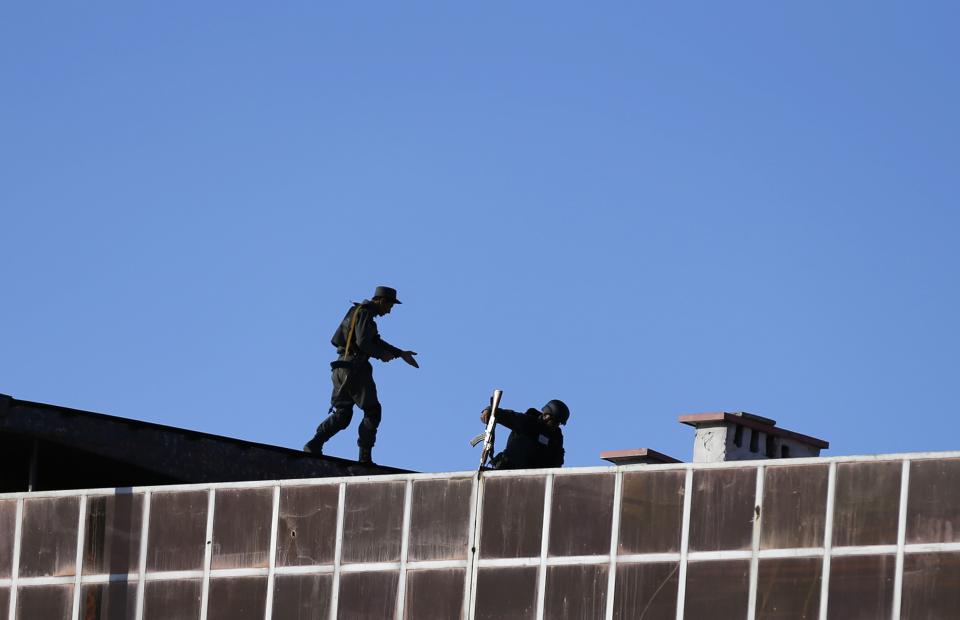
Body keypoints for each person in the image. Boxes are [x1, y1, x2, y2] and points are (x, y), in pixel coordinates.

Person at [304, 286, 418, 463]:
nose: (389, 312)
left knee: (342, 414)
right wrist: (381, 355)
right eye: (389, 306)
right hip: (355, 370)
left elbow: (373, 340)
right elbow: (364, 343)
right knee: (373, 411)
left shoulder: (358, 313)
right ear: (381, 301)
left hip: (340, 369)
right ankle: (364, 458)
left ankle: (314, 444)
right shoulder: (365, 314)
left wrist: (399, 353)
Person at [479, 399, 568, 469]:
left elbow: (558, 461)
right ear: (547, 416)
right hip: (509, 470)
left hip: (535, 479)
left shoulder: (556, 437)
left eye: (559, 423)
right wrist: (490, 410)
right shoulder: (529, 422)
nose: (557, 426)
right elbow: (509, 416)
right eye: (556, 422)